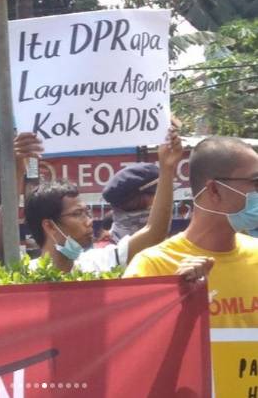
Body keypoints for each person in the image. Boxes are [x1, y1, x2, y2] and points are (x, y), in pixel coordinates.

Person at [124, 135, 258, 329]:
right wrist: (175, 298)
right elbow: (132, 341)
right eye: (256, 183)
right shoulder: (153, 267)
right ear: (214, 190)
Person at [24, 127, 185, 273]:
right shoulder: (24, 278)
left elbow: (154, 233)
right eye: (77, 214)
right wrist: (19, 165)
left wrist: (167, 168)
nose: (89, 221)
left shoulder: (97, 264)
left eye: (87, 213)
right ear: (50, 226)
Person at [103, 162, 160, 244]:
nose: (167, 201)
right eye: (159, 196)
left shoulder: (164, 245)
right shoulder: (110, 250)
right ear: (138, 202)